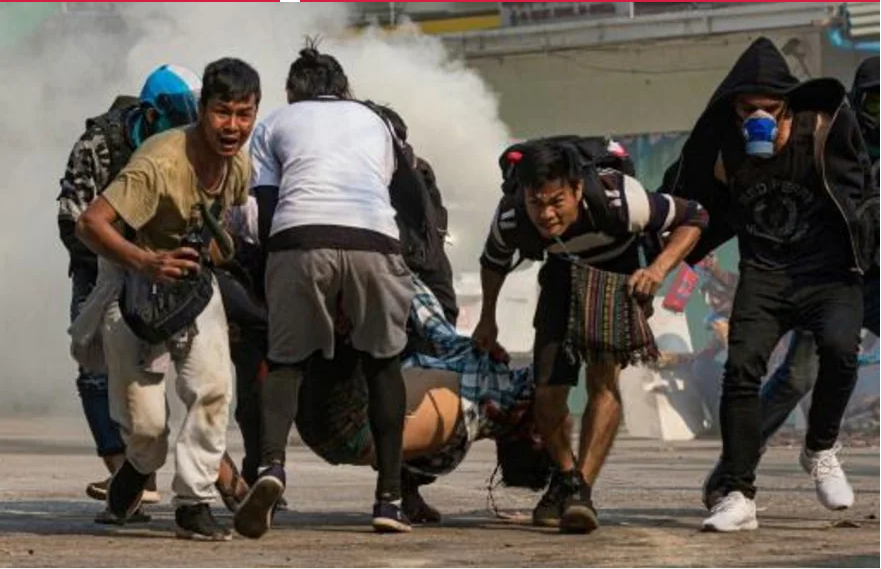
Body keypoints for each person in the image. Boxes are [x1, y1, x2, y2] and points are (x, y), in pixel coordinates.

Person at [658, 38, 877, 532]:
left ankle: (820, 448)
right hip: (768, 274)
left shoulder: (821, 131)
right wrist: (661, 256)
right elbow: (693, 203)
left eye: (769, 109)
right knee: (749, 372)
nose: (757, 116)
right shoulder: (724, 149)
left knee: (840, 352)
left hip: (833, 271)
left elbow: (859, 200)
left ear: (788, 106)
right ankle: (737, 490)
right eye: (745, 108)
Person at [472, 138, 708, 533]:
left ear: (577, 189)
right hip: (561, 276)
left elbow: (695, 216)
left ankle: (581, 493)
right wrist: (487, 320)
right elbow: (493, 262)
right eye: (536, 202)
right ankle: (567, 478)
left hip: (617, 272)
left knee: (603, 379)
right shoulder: (512, 216)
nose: (546, 214)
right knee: (547, 393)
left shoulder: (620, 198)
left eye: (556, 201)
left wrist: (658, 270)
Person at [73, 58, 261, 540]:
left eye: (245, 114)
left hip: (194, 291)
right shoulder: (160, 160)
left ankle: (193, 503)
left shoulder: (239, 163)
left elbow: (225, 229)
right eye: (223, 113)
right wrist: (146, 262)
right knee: (148, 430)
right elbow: (90, 223)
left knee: (214, 390)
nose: (233, 126)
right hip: (134, 290)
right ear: (201, 111)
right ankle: (134, 472)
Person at [234, 44, 414, 539]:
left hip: (298, 236)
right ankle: (391, 499)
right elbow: (406, 191)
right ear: (343, 87)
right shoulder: (375, 121)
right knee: (383, 363)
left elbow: (266, 205)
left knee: (286, 361)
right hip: (373, 237)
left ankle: (271, 467)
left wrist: (275, 266)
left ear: (294, 92)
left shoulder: (275, 122)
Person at [217, 275, 550, 522]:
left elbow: (548, 373)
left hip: (349, 421)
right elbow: (431, 320)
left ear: (532, 433)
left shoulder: (499, 395)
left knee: (304, 318)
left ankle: (212, 288)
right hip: (337, 427)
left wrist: (382, 263)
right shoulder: (452, 447)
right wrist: (387, 266)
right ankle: (217, 465)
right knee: (267, 327)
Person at [57, 64, 202, 519]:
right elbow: (72, 216)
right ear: (153, 111)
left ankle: (199, 476)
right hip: (100, 265)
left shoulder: (189, 145)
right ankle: (126, 475)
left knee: (187, 365)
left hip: (169, 265)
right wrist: (119, 260)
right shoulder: (100, 143)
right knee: (95, 368)